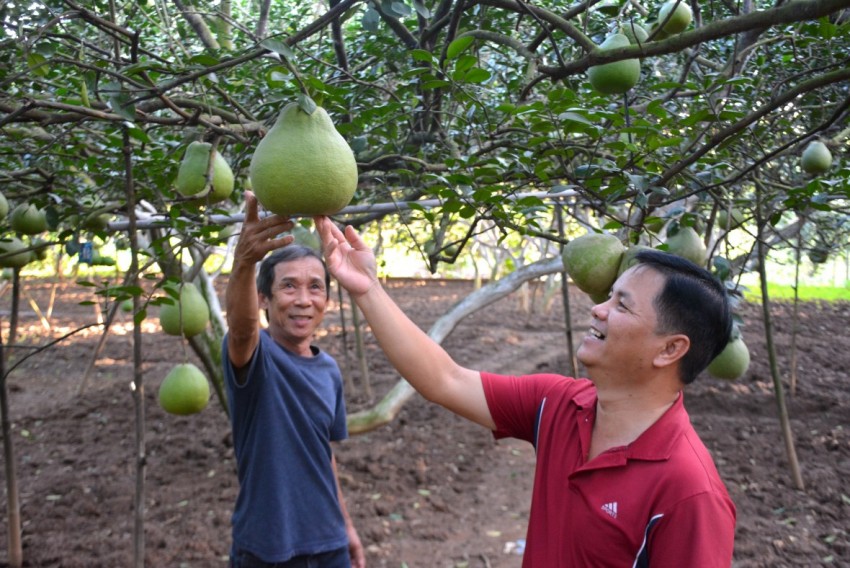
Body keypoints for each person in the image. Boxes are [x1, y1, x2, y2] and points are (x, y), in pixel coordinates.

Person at [315, 216, 736, 567]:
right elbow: (445, 380)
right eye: (608, 297)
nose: (597, 308)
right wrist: (367, 288)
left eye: (621, 305)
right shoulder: (559, 404)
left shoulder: (689, 493)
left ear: (670, 349)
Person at [222, 192, 365, 568]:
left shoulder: (328, 369)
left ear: (326, 300)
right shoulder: (256, 356)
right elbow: (241, 329)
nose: (303, 299)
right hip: (268, 548)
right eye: (288, 286)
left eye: (315, 287)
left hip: (330, 542)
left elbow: (323, 455)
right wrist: (244, 262)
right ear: (263, 299)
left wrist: (347, 526)